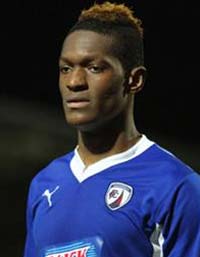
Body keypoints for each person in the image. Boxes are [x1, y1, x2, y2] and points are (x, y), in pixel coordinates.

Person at [23, 2, 200, 257]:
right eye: (66, 68)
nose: (74, 82)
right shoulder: (44, 184)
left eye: (94, 68)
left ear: (134, 79)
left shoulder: (176, 187)